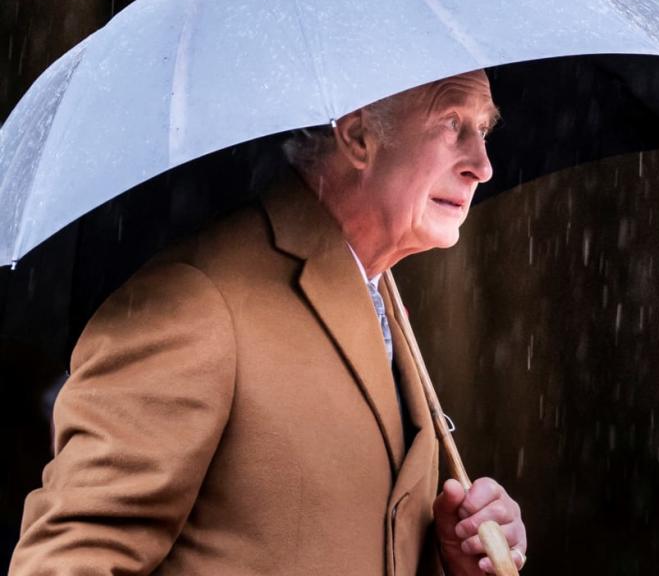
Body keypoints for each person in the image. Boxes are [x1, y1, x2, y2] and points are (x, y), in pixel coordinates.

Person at [10, 69, 527, 575]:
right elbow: (68, 560)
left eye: (482, 130)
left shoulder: (379, 293)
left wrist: (452, 560)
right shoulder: (195, 301)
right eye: (451, 124)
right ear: (357, 135)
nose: (481, 165)